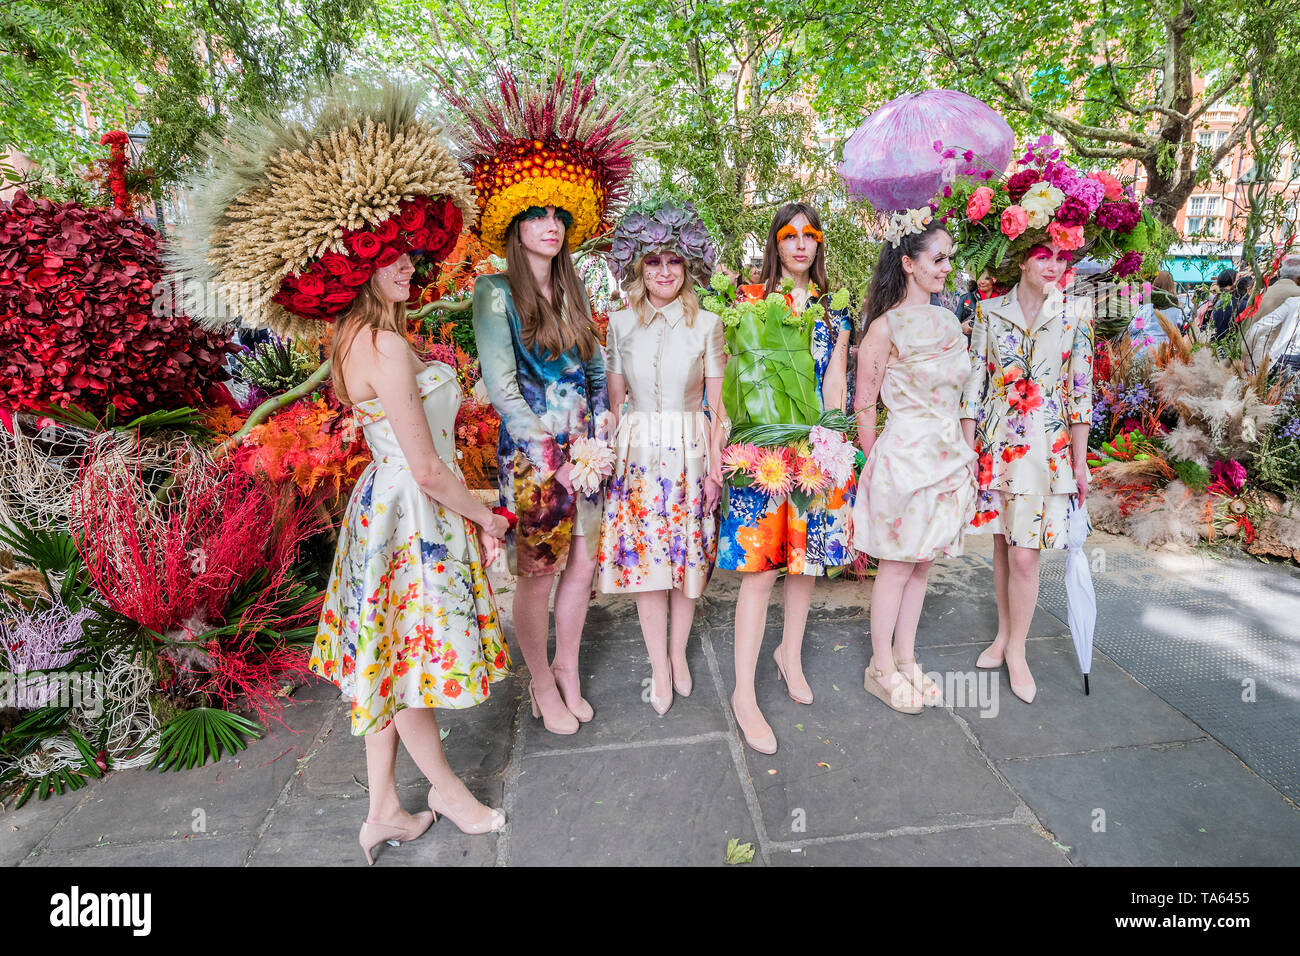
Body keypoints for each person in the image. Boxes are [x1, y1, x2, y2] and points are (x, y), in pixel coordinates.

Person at [173, 79, 510, 862]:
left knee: (383, 659)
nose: (407, 263)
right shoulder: (386, 347)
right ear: (355, 262)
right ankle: (452, 796)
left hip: (381, 511)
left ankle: (384, 810)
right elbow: (427, 468)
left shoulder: (357, 343)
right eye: (388, 251)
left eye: (410, 250)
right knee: (401, 665)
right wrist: (488, 516)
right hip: (409, 514)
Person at [445, 60, 649, 737]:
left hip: (586, 452)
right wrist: (550, 453)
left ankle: (567, 669)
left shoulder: (575, 288)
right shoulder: (493, 292)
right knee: (537, 572)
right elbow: (502, 387)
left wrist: (604, 421)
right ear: (514, 222)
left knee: (582, 568)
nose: (551, 224)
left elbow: (592, 369)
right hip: (534, 459)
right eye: (537, 214)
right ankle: (538, 682)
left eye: (559, 214)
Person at [716, 202, 855, 753]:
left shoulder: (832, 311)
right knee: (759, 572)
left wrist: (836, 445)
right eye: (789, 235)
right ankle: (743, 695)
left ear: (820, 244)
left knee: (806, 564)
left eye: (810, 235)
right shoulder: (749, 303)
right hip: (763, 452)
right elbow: (735, 382)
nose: (800, 244)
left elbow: (837, 384)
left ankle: (789, 656)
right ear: (774, 242)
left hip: (816, 448)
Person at [597, 198, 725, 715]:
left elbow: (717, 407)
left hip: (692, 450)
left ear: (688, 266)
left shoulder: (709, 324)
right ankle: (658, 663)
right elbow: (613, 404)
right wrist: (603, 457)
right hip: (639, 455)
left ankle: (678, 653)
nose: (665, 271)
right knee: (648, 562)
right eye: (654, 261)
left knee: (688, 557)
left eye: (674, 261)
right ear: (637, 267)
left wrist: (717, 467)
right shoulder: (619, 324)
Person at [961, 241, 1093, 704]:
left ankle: (1017, 648)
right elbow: (973, 383)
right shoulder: (989, 311)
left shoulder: (1077, 314)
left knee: (1025, 554)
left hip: (1047, 448)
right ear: (1020, 259)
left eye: (1062, 257)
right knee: (1002, 543)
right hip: (996, 445)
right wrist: (966, 448)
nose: (1054, 265)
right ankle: (1002, 634)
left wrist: (1079, 464)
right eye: (1044, 255)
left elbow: (1080, 392)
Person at [852, 215, 975, 713]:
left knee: (923, 562)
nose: (947, 267)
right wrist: (868, 463)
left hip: (945, 455)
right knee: (898, 564)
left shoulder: (949, 320)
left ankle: (905, 656)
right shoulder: (884, 328)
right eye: (938, 258)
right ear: (908, 264)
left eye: (949, 257)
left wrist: (966, 454)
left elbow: (964, 394)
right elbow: (865, 403)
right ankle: (880, 665)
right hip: (904, 456)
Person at [1127, 270, 1185, 355]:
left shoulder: (1149, 305)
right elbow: (1178, 327)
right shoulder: (1177, 307)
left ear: (1155, 284)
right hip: (1167, 352)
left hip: (1147, 351)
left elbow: (1133, 329)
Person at [956, 269, 996, 335]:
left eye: (987, 278)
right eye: (979, 278)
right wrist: (962, 327)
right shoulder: (965, 298)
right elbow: (955, 323)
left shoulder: (1002, 297)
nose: (982, 281)